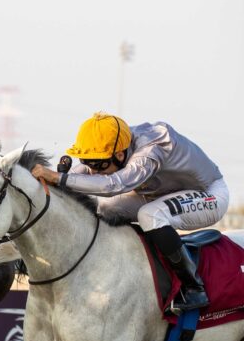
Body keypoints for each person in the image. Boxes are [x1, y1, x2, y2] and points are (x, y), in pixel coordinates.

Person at [32, 112, 228, 312]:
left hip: (208, 194)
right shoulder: (114, 144)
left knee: (150, 215)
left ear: (119, 155)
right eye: (86, 161)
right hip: (160, 194)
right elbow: (81, 174)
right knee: (107, 208)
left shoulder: (151, 149)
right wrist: (52, 180)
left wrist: (59, 178)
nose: (92, 170)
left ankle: (194, 288)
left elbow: (114, 185)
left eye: (98, 164)